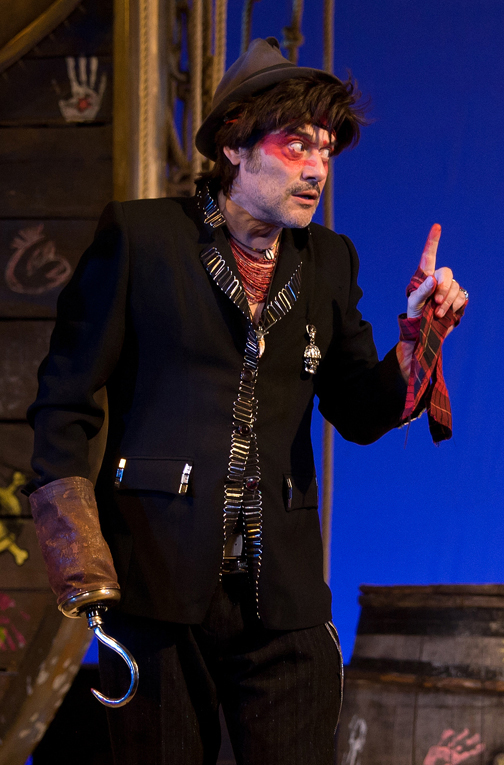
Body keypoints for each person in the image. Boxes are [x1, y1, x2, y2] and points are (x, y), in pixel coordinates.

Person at [25, 37, 467, 765]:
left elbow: (359, 412)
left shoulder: (329, 260)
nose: (317, 168)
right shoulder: (143, 238)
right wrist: (77, 550)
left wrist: (419, 338)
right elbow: (63, 401)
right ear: (234, 145)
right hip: (156, 585)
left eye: (326, 149)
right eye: (297, 145)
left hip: (282, 598)